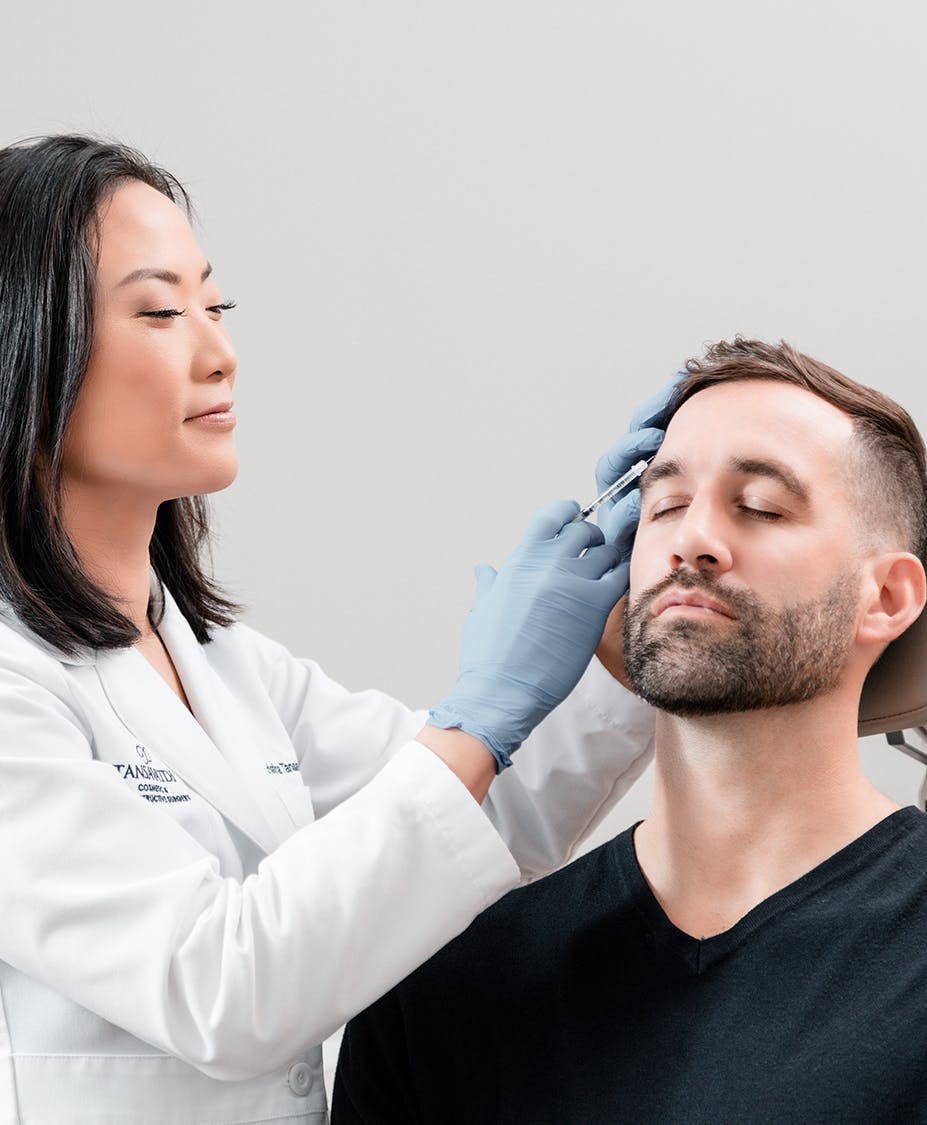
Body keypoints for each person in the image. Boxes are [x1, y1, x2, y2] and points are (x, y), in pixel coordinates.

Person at [0, 134, 662, 1124]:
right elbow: (220, 988)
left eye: (214, 307)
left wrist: (617, 646)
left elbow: (478, 822)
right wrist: (476, 713)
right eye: (160, 312)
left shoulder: (224, 666)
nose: (219, 352)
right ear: (25, 352)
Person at [332, 337, 927, 1124]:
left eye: (759, 506)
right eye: (664, 505)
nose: (693, 538)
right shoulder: (450, 979)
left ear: (884, 595)